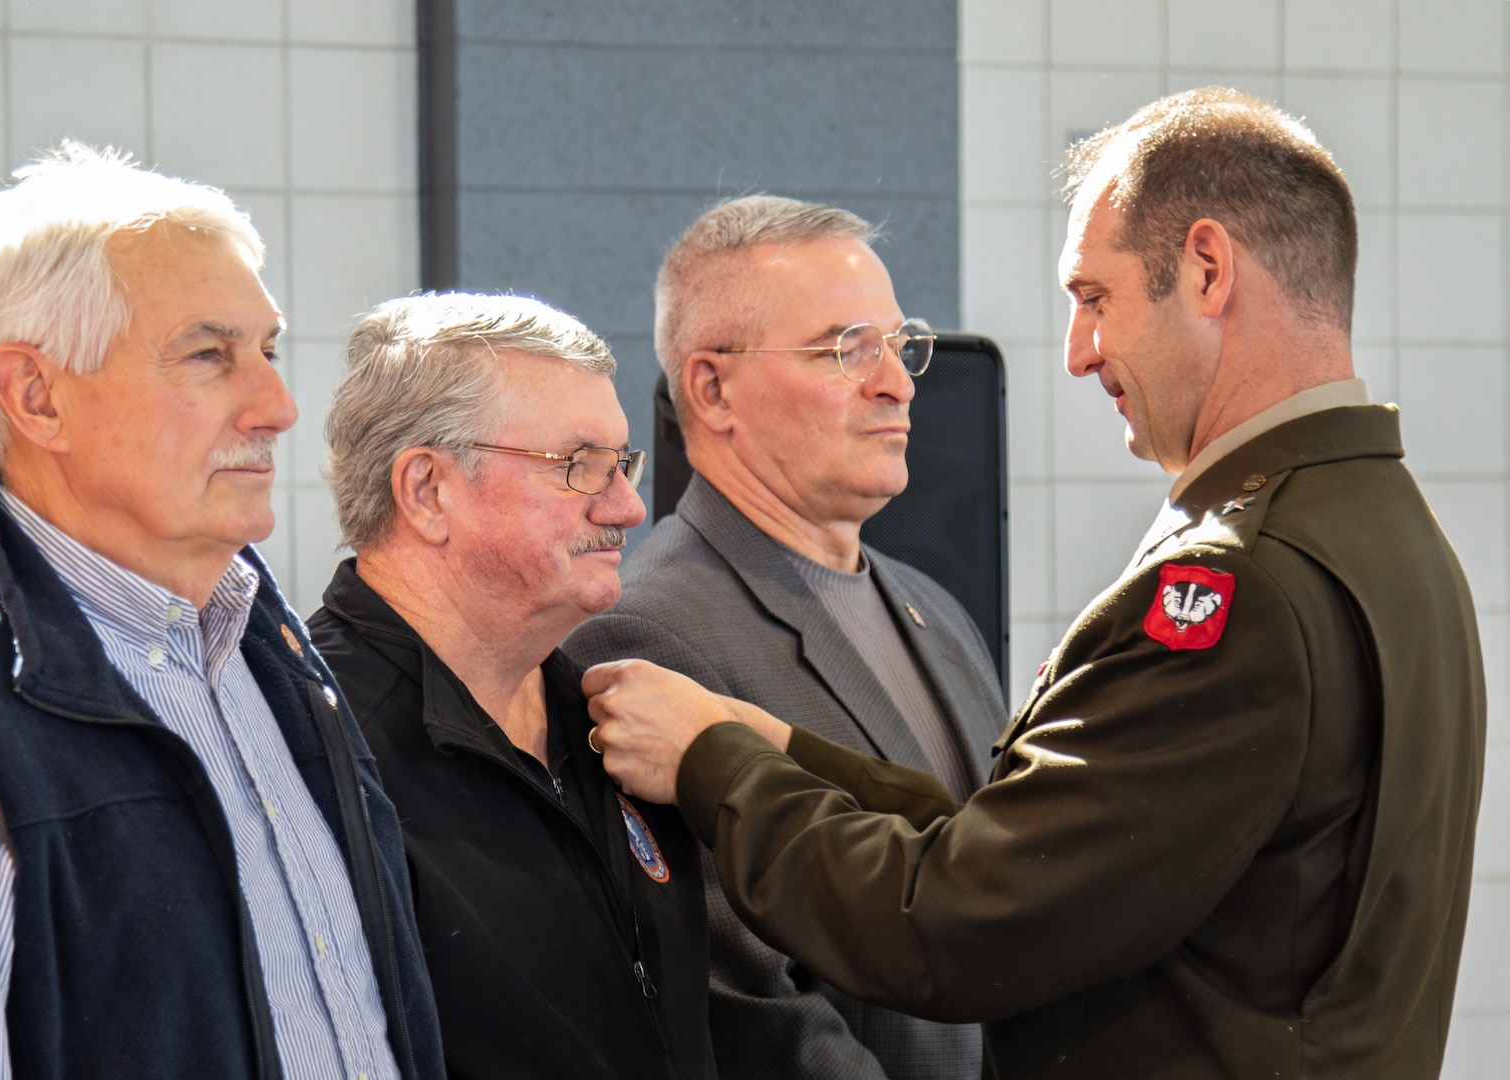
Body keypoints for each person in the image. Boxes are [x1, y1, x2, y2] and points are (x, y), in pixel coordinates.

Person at [581, 88, 1486, 1079]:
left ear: (1208, 270)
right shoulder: (1384, 531)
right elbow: (1012, 846)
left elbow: (972, 912)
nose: (1076, 350)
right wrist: (781, 751)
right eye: (847, 350)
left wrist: (717, 761)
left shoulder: (1239, 586)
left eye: (1095, 298)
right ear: (709, 390)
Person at [0, 144, 443, 1080]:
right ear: (36, 396)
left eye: (266, 349)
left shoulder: (268, 645)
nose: (276, 404)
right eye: (208, 354)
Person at [566, 194, 1006, 1079]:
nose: (898, 382)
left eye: (897, 342)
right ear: (712, 388)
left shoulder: (938, 611)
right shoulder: (645, 633)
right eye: (846, 349)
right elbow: (750, 1015)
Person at [306, 292, 714, 1080]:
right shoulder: (314, 747)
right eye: (577, 465)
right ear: (427, 490)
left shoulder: (617, 726)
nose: (628, 506)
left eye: (622, 463)